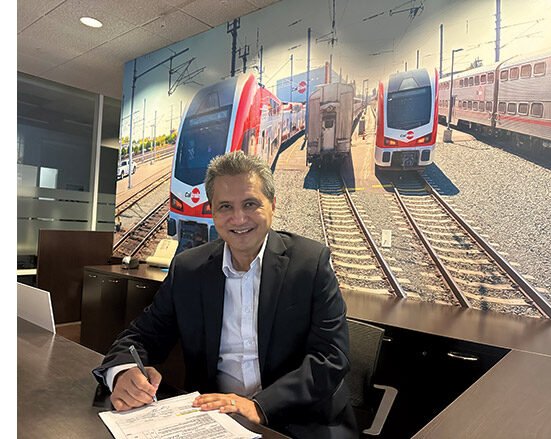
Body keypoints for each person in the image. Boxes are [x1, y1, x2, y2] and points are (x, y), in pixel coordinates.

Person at [92, 150, 356, 438]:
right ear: (213, 212)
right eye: (225, 207)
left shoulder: (310, 263)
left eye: (250, 204)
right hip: (217, 420)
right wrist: (124, 372)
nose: (238, 218)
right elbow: (141, 336)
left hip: (300, 421)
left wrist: (259, 406)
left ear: (273, 205)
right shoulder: (189, 269)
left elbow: (330, 357)